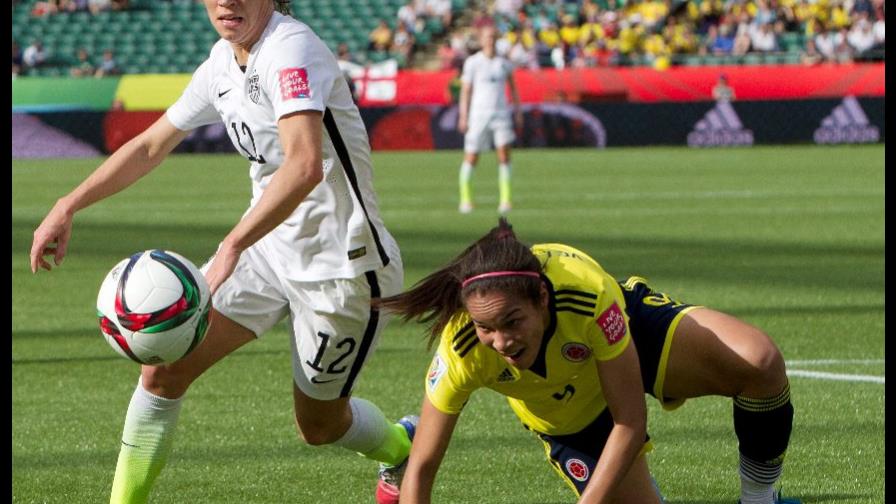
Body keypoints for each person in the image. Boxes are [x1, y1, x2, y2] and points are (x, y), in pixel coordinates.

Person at [29, 1, 414, 503]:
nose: (226, 1)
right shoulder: (220, 62)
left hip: (341, 270)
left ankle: (401, 445)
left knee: (319, 427)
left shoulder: (291, 49)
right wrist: (68, 204)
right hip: (263, 250)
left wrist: (232, 244)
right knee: (163, 370)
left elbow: (303, 166)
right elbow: (150, 146)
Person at [376, 219, 801, 504]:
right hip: (567, 413)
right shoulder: (463, 345)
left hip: (626, 337)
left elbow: (630, 423)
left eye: (513, 321)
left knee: (758, 361)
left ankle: (761, 500)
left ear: (542, 299)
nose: (501, 341)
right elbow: (423, 465)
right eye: (487, 327)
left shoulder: (587, 294)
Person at [456, 26, 522, 215]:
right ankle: (466, 199)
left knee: (504, 155)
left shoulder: (504, 64)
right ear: (481, 39)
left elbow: (513, 88)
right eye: (487, 37)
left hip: (501, 115)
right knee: (471, 156)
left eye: (493, 36)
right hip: (478, 116)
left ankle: (505, 200)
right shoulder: (473, 63)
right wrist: (463, 115)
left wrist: (517, 111)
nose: (490, 40)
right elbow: (466, 90)